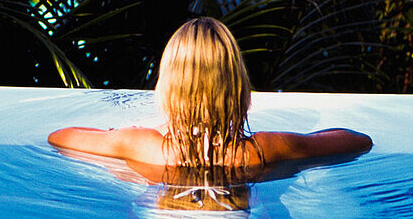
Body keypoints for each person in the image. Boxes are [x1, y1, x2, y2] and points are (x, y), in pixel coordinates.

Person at [48, 17, 372, 170]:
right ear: (239, 88)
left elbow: (59, 136)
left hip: (161, 216)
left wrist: (122, 134)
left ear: (168, 89)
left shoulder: (140, 144)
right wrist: (300, 138)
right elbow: (357, 140)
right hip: (237, 217)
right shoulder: (264, 149)